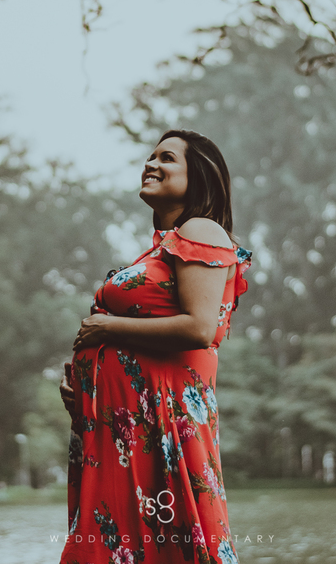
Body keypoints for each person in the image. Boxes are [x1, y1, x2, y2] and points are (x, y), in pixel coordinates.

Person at [58, 129, 251, 564]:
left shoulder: (201, 230)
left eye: (166, 158)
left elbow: (201, 329)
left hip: (166, 427)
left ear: (197, 176)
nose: (151, 164)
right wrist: (89, 394)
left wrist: (108, 330)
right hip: (124, 431)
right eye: (149, 157)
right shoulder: (159, 251)